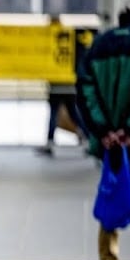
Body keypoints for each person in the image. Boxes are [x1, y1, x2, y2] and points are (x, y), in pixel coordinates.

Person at [76, 0, 130, 260]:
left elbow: (84, 91)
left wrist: (104, 130)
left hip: (111, 146)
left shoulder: (99, 45)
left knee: (111, 200)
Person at [36, 18, 89, 157]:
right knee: (74, 114)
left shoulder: (49, 39)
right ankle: (88, 138)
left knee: (54, 115)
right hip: (69, 85)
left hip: (56, 85)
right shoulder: (69, 37)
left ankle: (50, 143)